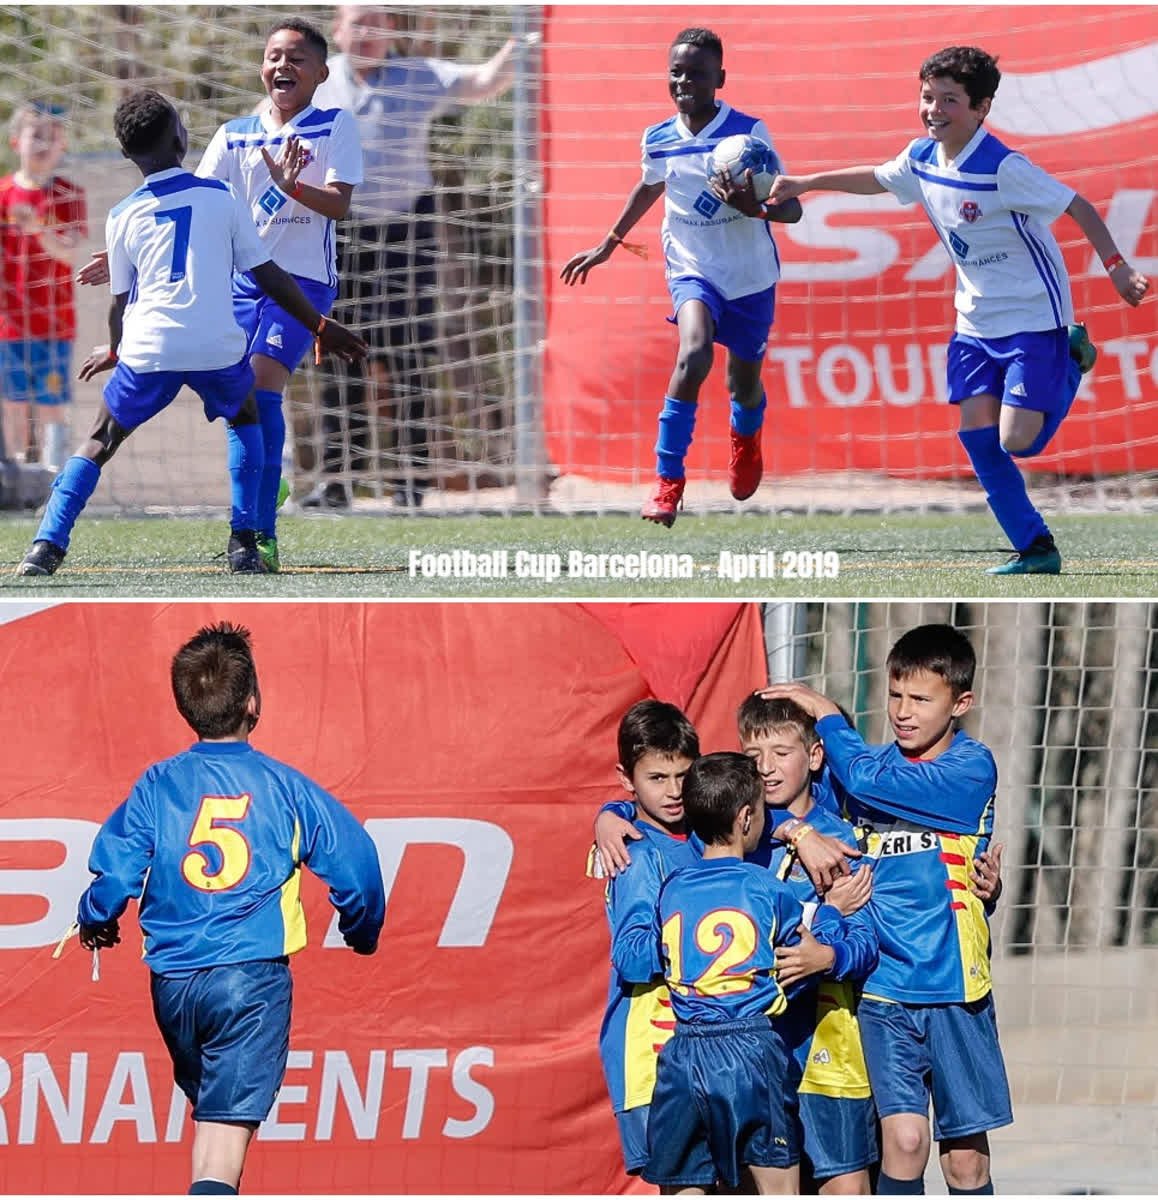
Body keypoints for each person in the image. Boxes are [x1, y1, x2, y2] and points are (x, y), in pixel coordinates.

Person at [766, 45, 1151, 576]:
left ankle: (1070, 359)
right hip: (973, 322)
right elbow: (876, 178)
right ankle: (1036, 547)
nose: (934, 109)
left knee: (1016, 440)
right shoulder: (921, 158)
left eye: (949, 99)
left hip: (1033, 318)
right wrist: (807, 183)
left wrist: (1116, 267)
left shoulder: (1004, 167)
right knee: (977, 436)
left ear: (981, 108)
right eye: (928, 97)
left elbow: (1077, 206)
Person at [75, 621, 385, 1194]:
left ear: (185, 706)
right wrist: (361, 930)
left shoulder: (157, 784)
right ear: (253, 703)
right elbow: (357, 863)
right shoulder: (284, 787)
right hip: (249, 981)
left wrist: (95, 918)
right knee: (221, 1144)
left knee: (211, 1132)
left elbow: (115, 872)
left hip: (173, 986)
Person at [15, 89, 366, 578]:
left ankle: (45, 546)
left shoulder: (122, 215)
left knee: (99, 438)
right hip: (214, 348)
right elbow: (269, 275)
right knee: (246, 416)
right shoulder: (221, 198)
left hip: (148, 347)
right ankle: (245, 542)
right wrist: (320, 323)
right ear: (182, 140)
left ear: (126, 153)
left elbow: (120, 304)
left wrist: (116, 350)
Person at [764, 623, 1012, 1195]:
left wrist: (828, 716)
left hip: (954, 988)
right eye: (895, 694)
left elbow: (865, 779)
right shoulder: (863, 767)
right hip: (881, 987)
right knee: (903, 1141)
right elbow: (762, 801)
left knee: (965, 1163)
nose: (902, 711)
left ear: (961, 704)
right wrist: (801, 832)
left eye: (921, 699)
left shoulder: (969, 768)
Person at [561, 27, 802, 528]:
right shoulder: (658, 138)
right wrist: (609, 243)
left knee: (743, 385)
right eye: (676, 72)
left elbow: (792, 210)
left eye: (697, 73)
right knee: (693, 354)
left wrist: (754, 207)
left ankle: (746, 436)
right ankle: (667, 481)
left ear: (720, 79)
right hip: (693, 267)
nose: (684, 82)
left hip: (750, 275)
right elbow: (650, 185)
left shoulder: (749, 134)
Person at [304, 6, 524, 510]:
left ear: (391, 31)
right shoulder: (318, 82)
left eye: (377, 22)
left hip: (406, 229)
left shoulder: (418, 75)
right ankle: (337, 483)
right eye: (358, 22)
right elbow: (267, 120)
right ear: (338, 31)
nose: (367, 32)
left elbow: (484, 82)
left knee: (407, 355)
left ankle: (411, 483)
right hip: (341, 233)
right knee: (336, 356)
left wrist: (522, 41)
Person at [196, 16, 363, 570]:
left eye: (296, 57)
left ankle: (255, 536)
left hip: (303, 285)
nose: (282, 65)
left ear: (321, 73)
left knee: (261, 387)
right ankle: (265, 492)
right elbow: (201, 202)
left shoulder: (334, 126)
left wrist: (293, 188)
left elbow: (339, 205)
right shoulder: (234, 135)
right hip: (242, 284)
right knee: (239, 399)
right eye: (273, 56)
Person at [646, 752, 854, 1194]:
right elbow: (800, 954)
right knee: (779, 1187)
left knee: (685, 1187)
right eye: (761, 811)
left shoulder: (672, 887)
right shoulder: (766, 888)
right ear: (745, 819)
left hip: (683, 1051)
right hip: (749, 1048)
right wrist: (833, 913)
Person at [738, 694, 880, 1196]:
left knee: (846, 1182)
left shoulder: (843, 840)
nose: (767, 768)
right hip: (750, 1044)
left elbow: (868, 941)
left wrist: (829, 956)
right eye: (754, 756)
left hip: (825, 1041)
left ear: (815, 756)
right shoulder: (736, 832)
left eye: (782, 753)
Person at [599, 699, 701, 1179]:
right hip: (654, 1048)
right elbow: (632, 957)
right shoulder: (636, 855)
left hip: (710, 1045)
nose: (674, 791)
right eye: (657, 778)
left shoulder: (706, 837)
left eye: (683, 775)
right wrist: (704, 941)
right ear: (627, 778)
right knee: (685, 1183)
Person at [0, 100, 86, 472]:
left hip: (54, 325)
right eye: (36, 135)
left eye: (53, 136)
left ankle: (54, 478)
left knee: (52, 404)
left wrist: (37, 228)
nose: (44, 144)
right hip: (9, 325)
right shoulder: (3, 194)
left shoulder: (68, 194)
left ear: (63, 145)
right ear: (15, 141)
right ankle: (16, 474)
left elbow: (69, 253)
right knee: (14, 404)